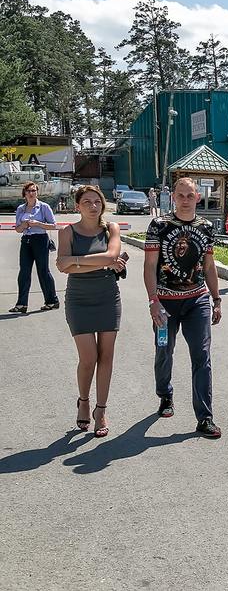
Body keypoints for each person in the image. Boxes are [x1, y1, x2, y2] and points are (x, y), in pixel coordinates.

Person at [144, 177, 224, 439]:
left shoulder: (206, 227)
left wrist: (216, 299)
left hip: (197, 301)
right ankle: (165, 395)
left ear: (198, 197)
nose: (186, 199)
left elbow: (210, 266)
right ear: (173, 197)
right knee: (164, 351)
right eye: (181, 195)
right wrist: (153, 300)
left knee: (202, 356)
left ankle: (205, 417)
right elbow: (149, 265)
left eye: (190, 195)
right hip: (165, 304)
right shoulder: (159, 226)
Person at [55, 185, 126, 437]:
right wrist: (100, 262)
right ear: (78, 206)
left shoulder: (111, 229)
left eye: (97, 201)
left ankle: (101, 409)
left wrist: (76, 261)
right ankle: (83, 401)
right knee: (88, 358)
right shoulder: (68, 232)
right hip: (79, 300)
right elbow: (61, 266)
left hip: (108, 298)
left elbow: (112, 256)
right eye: (87, 202)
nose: (93, 206)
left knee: (106, 357)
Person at [10, 182, 60, 313]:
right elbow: (18, 229)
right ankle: (21, 304)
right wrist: (24, 225)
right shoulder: (21, 208)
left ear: (37, 193)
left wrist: (38, 223)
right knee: (24, 272)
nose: (31, 193)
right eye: (29, 191)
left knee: (43, 271)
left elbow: (53, 225)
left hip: (40, 240)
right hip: (26, 240)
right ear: (24, 194)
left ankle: (52, 300)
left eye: (34, 191)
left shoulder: (43, 207)